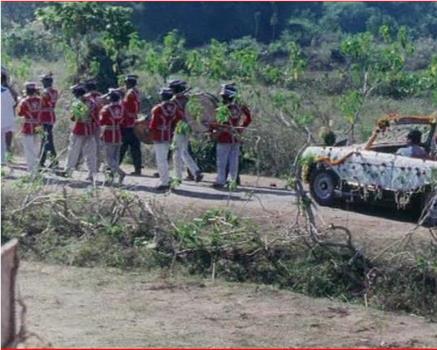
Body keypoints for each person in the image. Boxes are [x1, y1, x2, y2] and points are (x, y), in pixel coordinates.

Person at [209, 83, 252, 188]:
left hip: (224, 137)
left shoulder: (222, 109)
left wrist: (212, 130)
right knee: (233, 162)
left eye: (224, 96)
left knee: (222, 161)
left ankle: (221, 180)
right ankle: (232, 181)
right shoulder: (240, 106)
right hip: (235, 137)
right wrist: (241, 128)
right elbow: (249, 118)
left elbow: (216, 122)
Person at [169, 79, 203, 182]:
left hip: (179, 127)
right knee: (183, 151)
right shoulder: (188, 99)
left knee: (177, 152)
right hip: (188, 126)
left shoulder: (173, 101)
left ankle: (178, 176)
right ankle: (195, 170)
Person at [63, 84, 98, 182]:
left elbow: (76, 117)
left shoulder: (77, 103)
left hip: (79, 129)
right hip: (90, 130)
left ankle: (68, 171)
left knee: (73, 151)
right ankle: (92, 173)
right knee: (91, 153)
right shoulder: (92, 102)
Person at [149, 88, 182, 191]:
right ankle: (167, 179)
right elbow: (179, 118)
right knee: (164, 159)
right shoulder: (174, 107)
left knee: (161, 160)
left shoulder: (158, 108)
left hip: (158, 135)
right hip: (168, 135)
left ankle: (165, 182)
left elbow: (153, 125)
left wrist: (150, 133)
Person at [100, 88, 126, 185]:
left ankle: (120, 173)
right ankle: (109, 179)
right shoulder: (122, 108)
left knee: (109, 159)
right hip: (118, 133)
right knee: (115, 158)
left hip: (108, 134)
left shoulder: (106, 109)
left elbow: (101, 121)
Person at [16, 82, 42, 173]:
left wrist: (20, 102)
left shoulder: (24, 102)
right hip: (38, 126)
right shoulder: (40, 100)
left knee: (29, 149)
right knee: (36, 148)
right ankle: (36, 168)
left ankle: (32, 170)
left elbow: (20, 113)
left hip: (28, 126)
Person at [119, 74, 142, 175]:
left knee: (122, 147)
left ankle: (115, 166)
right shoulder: (136, 92)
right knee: (135, 148)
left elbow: (124, 108)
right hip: (134, 123)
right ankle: (138, 168)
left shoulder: (129, 94)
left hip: (126, 124)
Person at [39, 73, 59, 168]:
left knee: (47, 139)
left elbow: (41, 104)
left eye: (43, 81)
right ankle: (45, 159)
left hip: (45, 116)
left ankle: (48, 160)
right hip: (51, 115)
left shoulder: (44, 93)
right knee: (47, 139)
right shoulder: (55, 91)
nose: (42, 83)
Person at [84, 78, 103, 169]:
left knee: (87, 146)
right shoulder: (100, 96)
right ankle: (98, 165)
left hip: (89, 124)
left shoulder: (87, 97)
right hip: (98, 123)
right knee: (97, 145)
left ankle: (88, 165)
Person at [1, 67, 18, 159]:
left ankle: (7, 152)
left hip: (7, 117)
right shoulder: (9, 90)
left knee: (7, 134)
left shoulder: (9, 90)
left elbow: (15, 102)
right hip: (8, 117)